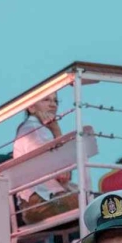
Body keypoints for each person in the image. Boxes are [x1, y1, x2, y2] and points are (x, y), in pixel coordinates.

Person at [13, 94, 75, 222]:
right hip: (41, 203)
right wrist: (57, 130)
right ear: (31, 107)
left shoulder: (32, 129)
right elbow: (63, 174)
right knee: (99, 203)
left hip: (38, 202)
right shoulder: (35, 130)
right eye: (46, 100)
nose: (53, 105)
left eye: (56, 101)